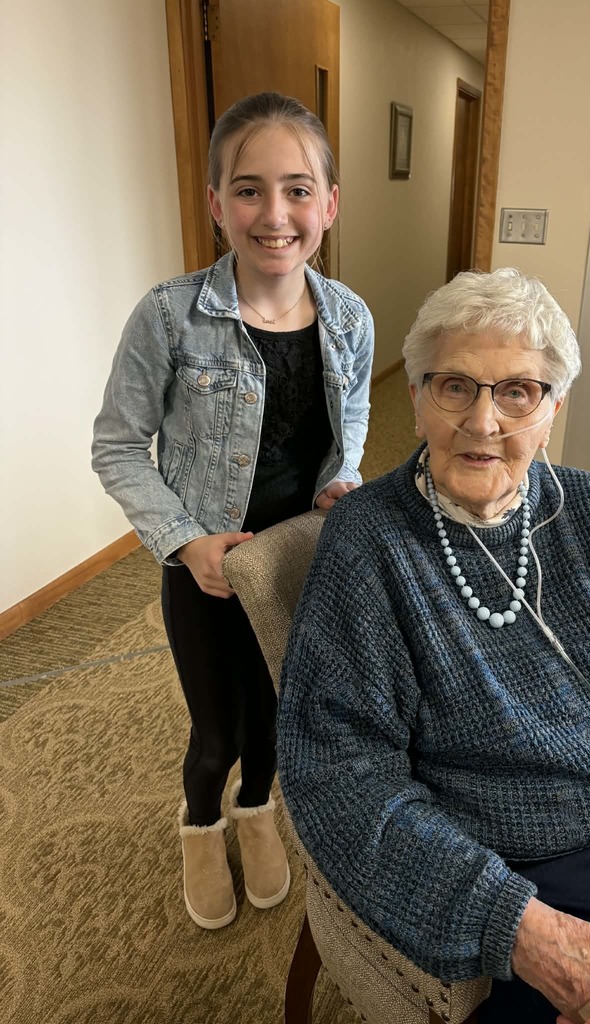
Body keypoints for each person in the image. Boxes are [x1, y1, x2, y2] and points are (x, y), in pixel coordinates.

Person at [277, 268, 590, 1023]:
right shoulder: (367, 546)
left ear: (551, 410)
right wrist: (517, 927)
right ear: (415, 399)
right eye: (454, 386)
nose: (483, 422)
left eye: (517, 392)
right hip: (541, 865)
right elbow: (341, 779)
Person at [92, 92, 373, 930]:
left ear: (329, 204)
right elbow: (115, 446)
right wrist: (183, 541)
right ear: (217, 204)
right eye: (248, 190)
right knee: (215, 731)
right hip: (207, 575)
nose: (274, 213)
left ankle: (259, 813)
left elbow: (348, 428)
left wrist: (342, 478)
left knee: (278, 719)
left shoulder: (351, 318)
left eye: (297, 189)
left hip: (294, 563)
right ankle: (202, 825)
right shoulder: (169, 316)